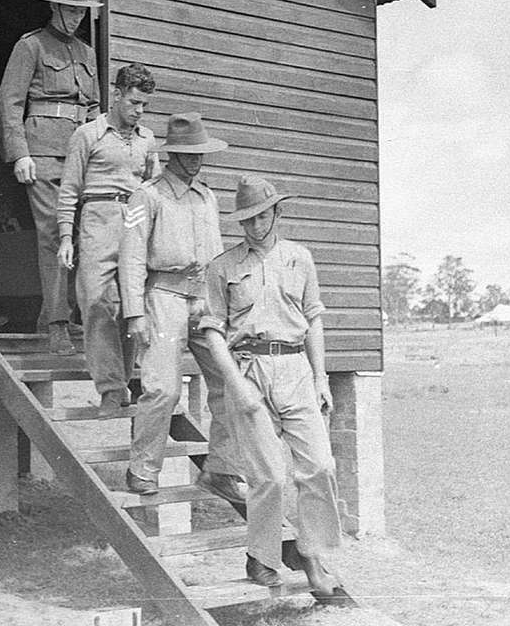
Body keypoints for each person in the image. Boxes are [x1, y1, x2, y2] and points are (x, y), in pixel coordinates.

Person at [198, 175, 346, 600]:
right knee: (268, 476)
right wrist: (235, 386)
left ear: (277, 213)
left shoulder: (301, 258)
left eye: (261, 217)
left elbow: (314, 318)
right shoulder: (222, 267)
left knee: (319, 466)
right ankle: (261, 556)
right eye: (246, 220)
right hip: (249, 370)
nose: (255, 227)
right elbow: (212, 332)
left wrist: (320, 377)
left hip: (296, 368)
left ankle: (313, 556)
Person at [118, 112, 245, 503]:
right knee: (163, 389)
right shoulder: (146, 196)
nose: (194, 160)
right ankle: (142, 470)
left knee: (231, 384)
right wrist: (134, 312)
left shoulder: (207, 197)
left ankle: (221, 470)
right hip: (163, 298)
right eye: (187, 153)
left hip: (204, 300)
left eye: (199, 153)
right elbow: (131, 256)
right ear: (171, 154)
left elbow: (219, 258)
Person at [0, 0, 102, 355]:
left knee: (83, 236)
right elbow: (9, 102)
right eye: (70, 9)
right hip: (41, 153)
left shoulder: (88, 54)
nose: (75, 17)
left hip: (81, 156)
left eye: (81, 11)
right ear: (54, 7)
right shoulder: (32, 46)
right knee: (55, 236)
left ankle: (61, 317)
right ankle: (57, 323)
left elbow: (93, 110)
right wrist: (19, 152)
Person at [57, 63, 159, 417]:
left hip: (135, 220)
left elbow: (155, 187)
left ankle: (122, 383)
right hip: (97, 219)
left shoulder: (147, 140)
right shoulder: (87, 135)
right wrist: (65, 238)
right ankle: (111, 388)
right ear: (116, 95)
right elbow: (69, 190)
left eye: (145, 105)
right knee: (96, 302)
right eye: (134, 102)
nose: (139, 111)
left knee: (133, 305)